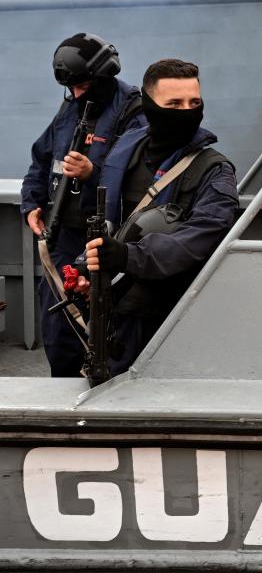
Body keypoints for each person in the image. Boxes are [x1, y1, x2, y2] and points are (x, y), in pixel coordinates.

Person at [81, 59, 238, 376]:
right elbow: (105, 216)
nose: (187, 111)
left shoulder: (215, 172)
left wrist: (126, 255)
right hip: (113, 309)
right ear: (150, 106)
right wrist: (87, 264)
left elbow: (198, 239)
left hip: (174, 316)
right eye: (174, 104)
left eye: (194, 102)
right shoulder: (127, 150)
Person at [20, 33, 144, 377]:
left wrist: (93, 172)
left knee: (108, 329)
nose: (76, 94)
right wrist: (31, 203)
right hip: (63, 237)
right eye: (71, 89)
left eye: (83, 86)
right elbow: (41, 158)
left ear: (104, 78)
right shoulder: (71, 107)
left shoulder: (133, 111)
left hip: (107, 239)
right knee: (58, 330)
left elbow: (141, 178)